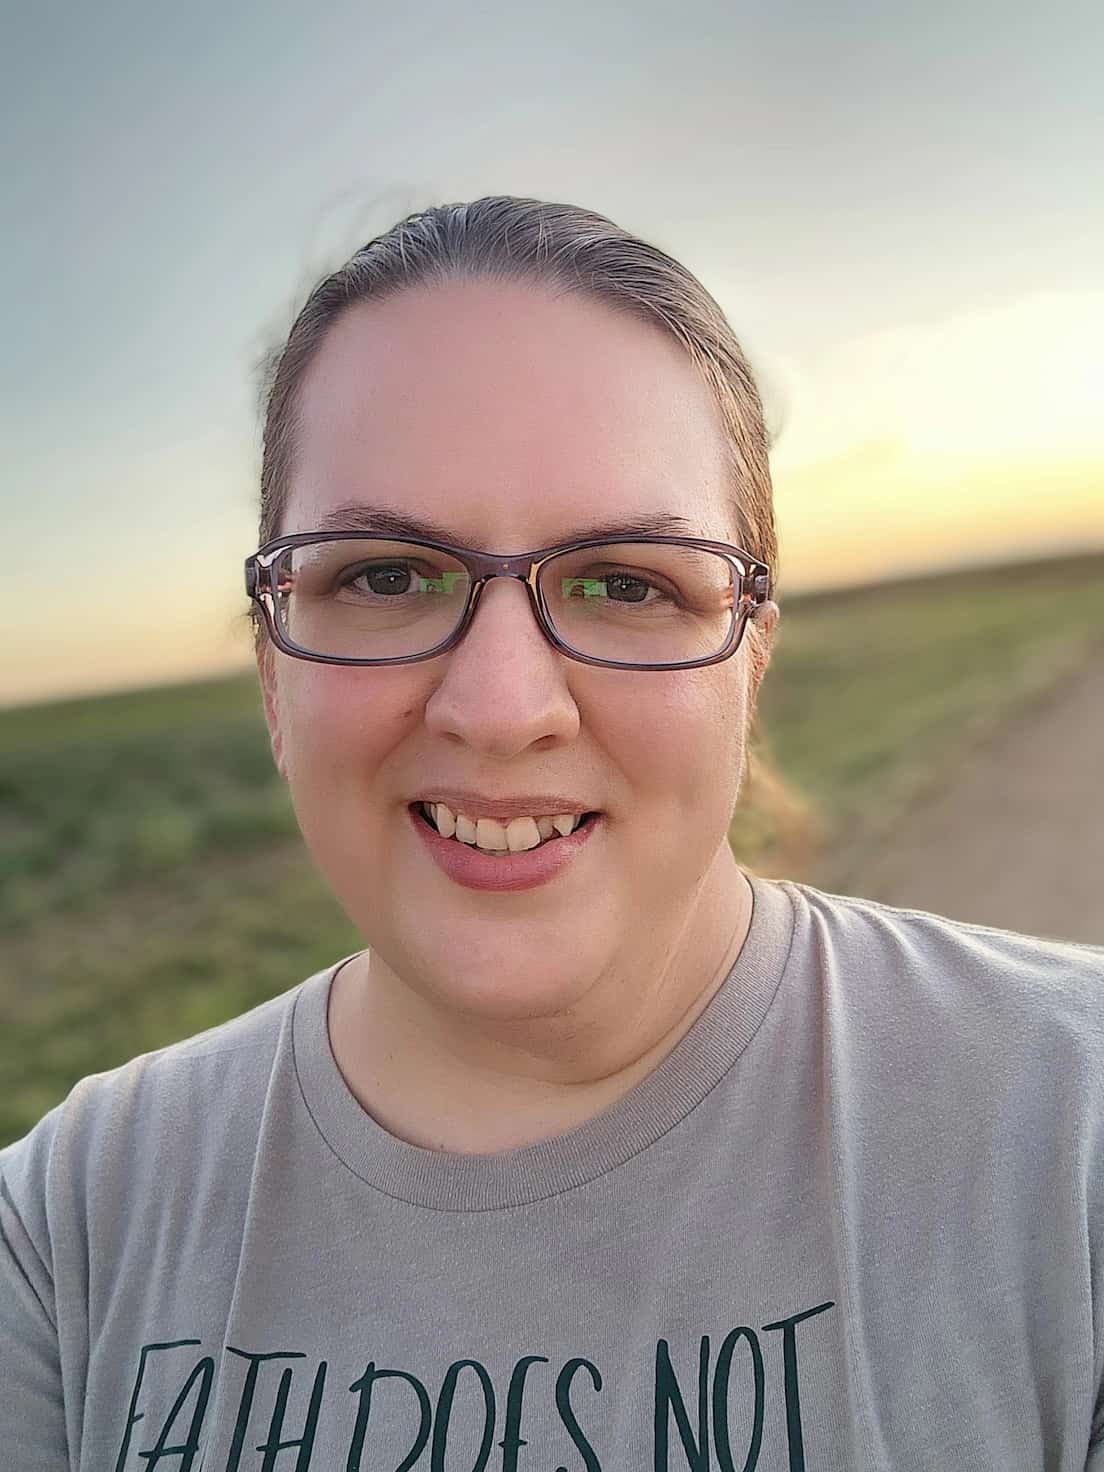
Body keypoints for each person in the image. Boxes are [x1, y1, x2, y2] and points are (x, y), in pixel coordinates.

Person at [1, 195, 1101, 1470]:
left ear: (748, 665)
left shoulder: (1068, 1136)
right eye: (384, 574)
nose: (501, 706)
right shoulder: (71, 1228)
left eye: (628, 580)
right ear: (271, 677)